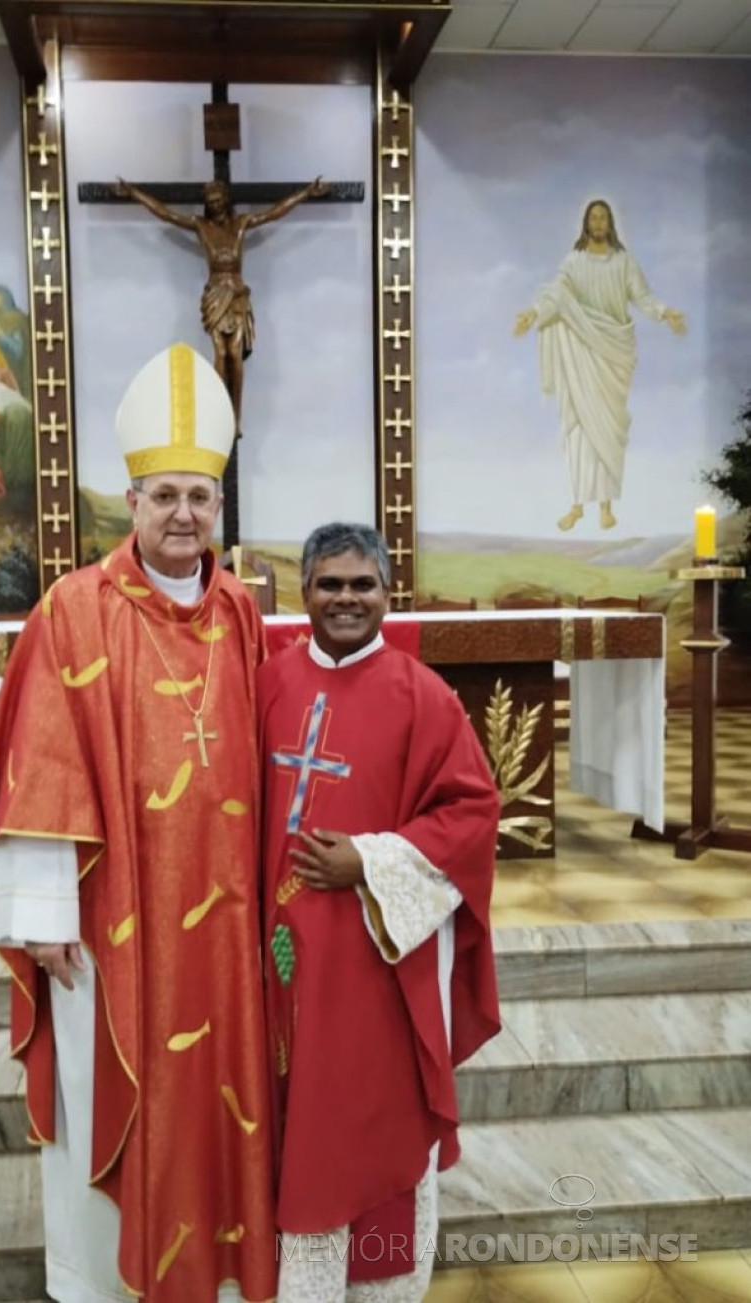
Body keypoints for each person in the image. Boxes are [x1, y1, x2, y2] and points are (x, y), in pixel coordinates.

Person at [0, 342, 277, 1303]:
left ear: (219, 505)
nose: (185, 514)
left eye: (201, 496)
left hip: (224, 930)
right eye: (166, 494)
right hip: (110, 921)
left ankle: (220, 1278)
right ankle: (106, 1282)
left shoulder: (244, 611)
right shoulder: (74, 610)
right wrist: (46, 909)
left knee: (224, 1097)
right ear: (131, 502)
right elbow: (40, 757)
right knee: (117, 1097)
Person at [259, 523, 501, 1302]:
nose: (346, 599)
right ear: (305, 593)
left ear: (388, 594)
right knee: (286, 1121)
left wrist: (367, 859)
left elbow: (472, 813)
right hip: (273, 965)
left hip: (375, 969)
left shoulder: (421, 695)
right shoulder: (268, 686)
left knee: (371, 1120)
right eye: (330, 584)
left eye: (362, 584)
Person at [514, 198, 686, 532]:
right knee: (579, 424)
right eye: (593, 217)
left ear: (610, 224)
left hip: (613, 353)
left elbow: (642, 296)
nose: (598, 222)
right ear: (586, 223)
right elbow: (556, 294)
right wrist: (533, 312)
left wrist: (665, 313)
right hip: (582, 351)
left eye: (603, 217)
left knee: (608, 428)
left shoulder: (623, 262)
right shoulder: (574, 261)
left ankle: (606, 507)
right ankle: (578, 504)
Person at [115, 176, 327, 434]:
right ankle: (219, 414)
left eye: (218, 199)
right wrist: (134, 193)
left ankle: (236, 418)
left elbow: (274, 213)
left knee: (235, 356)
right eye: (210, 201)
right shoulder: (200, 225)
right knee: (221, 354)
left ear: (226, 200)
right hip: (216, 293)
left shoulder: (241, 223)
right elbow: (166, 214)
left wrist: (306, 193)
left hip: (237, 294)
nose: (214, 204)